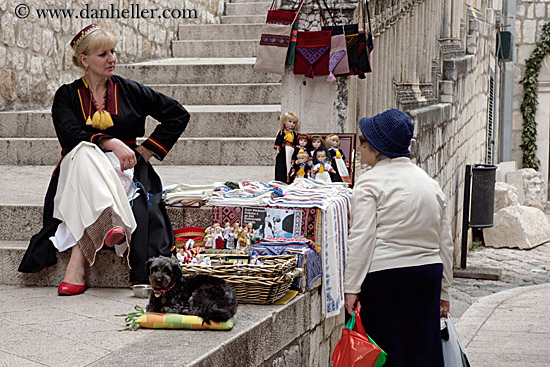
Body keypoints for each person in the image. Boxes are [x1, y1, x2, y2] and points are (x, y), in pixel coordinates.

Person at [18, 24, 190, 295]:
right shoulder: (66, 95)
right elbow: (70, 136)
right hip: (79, 168)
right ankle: (111, 221)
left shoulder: (130, 90)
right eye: (103, 54)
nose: (112, 58)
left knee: (92, 160)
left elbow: (178, 114)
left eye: (113, 51)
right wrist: (111, 142)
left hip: (126, 170)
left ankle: (78, 262)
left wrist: (146, 150)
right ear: (84, 60)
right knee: (86, 152)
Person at [344, 109, 453, 366]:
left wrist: (351, 288)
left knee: (387, 353)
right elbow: (444, 242)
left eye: (362, 141)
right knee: (423, 351)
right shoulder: (430, 183)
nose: (359, 147)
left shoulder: (370, 183)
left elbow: (361, 238)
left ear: (377, 147)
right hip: (427, 274)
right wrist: (445, 289)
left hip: (386, 276)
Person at [274, 112, 299, 183]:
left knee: (291, 164)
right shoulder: (282, 132)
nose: (292, 124)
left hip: (292, 149)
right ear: (284, 122)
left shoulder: (294, 133)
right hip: (284, 150)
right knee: (282, 164)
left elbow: (295, 142)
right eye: (290, 122)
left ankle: (290, 178)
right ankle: (282, 178)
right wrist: (278, 147)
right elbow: (278, 140)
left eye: (294, 122)